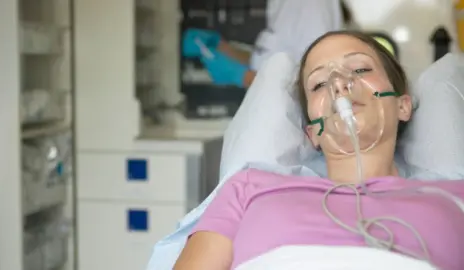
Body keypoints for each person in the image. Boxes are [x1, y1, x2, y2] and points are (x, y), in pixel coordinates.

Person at [173, 31, 464, 270]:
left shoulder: (454, 197)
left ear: (402, 106)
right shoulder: (249, 189)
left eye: (360, 69)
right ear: (312, 132)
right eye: (319, 84)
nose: (339, 86)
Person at [182, 0, 350, 88]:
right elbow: (272, 61)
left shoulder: (311, 5)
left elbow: (310, 85)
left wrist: (243, 77)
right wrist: (221, 47)